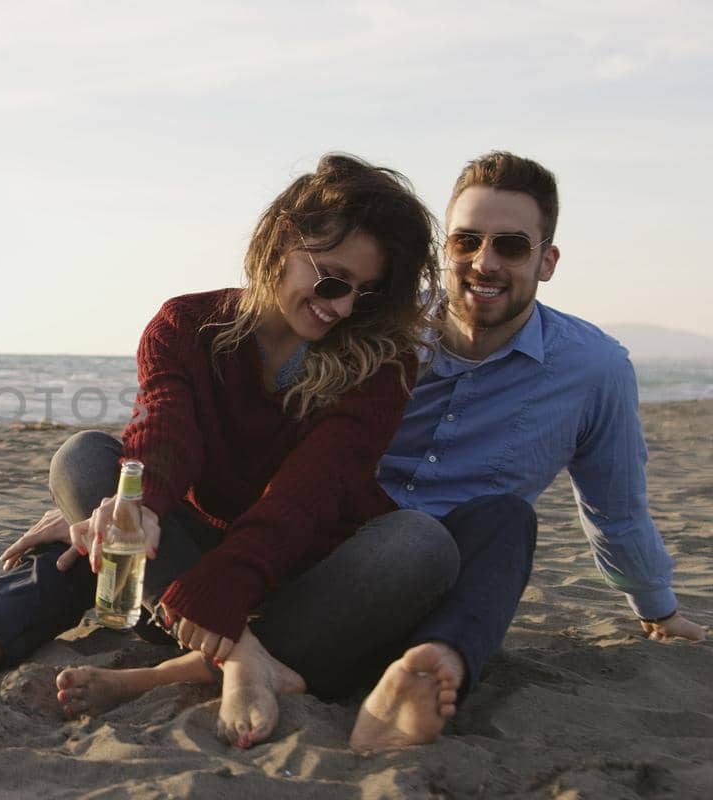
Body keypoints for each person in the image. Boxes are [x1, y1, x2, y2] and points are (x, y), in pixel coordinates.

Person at [0, 153, 452, 749]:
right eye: (331, 281)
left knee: (420, 546)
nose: (340, 310)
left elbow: (310, 492)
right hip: (187, 582)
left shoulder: (379, 361)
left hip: (305, 582)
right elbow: (165, 429)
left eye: (364, 297)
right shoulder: (186, 325)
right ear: (281, 241)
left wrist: (221, 585)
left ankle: (212, 657)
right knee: (90, 471)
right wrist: (141, 508)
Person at [48, 151, 708, 751]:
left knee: (500, 521)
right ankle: (231, 660)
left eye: (510, 245)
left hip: (421, 580)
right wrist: (136, 498)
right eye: (466, 241)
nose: (485, 262)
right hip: (311, 546)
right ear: (444, 249)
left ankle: (429, 668)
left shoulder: (593, 369)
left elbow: (616, 509)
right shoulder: (373, 323)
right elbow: (236, 436)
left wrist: (659, 609)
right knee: (82, 458)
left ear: (547, 261)